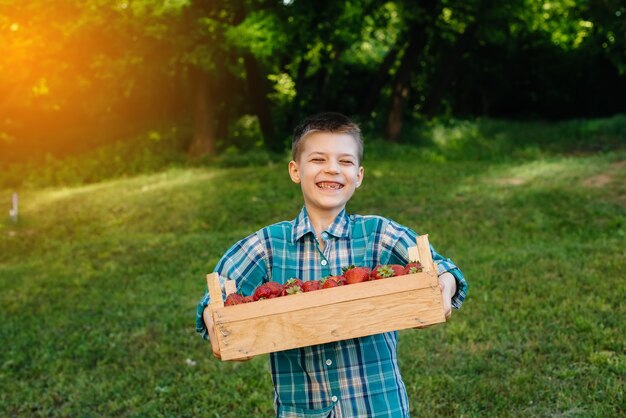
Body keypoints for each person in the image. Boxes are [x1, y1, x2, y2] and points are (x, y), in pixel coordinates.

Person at [196, 112, 468, 418]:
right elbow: (217, 293)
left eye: (345, 161)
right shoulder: (268, 245)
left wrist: (444, 285)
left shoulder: (378, 234)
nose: (332, 169)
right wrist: (213, 320)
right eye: (318, 159)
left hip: (378, 408)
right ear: (295, 170)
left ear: (359, 175)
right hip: (302, 411)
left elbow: (443, 267)